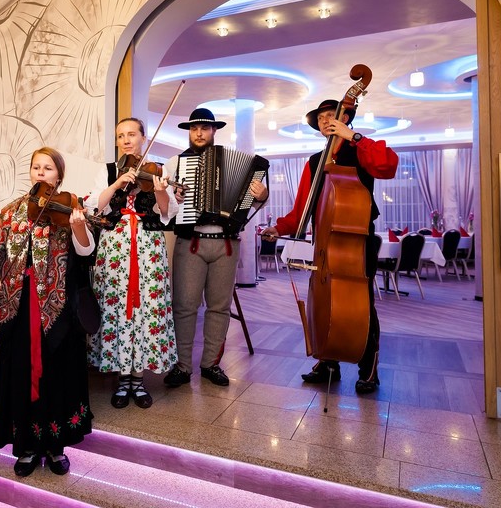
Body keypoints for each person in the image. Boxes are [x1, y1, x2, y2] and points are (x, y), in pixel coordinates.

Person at [262, 99, 398, 394]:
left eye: (330, 115)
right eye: (320, 117)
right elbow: (302, 207)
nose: (325, 120)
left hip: (357, 240)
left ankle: (369, 369)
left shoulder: (360, 149)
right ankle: (328, 362)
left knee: (362, 305)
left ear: (345, 117)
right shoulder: (314, 161)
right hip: (325, 242)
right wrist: (280, 228)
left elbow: (388, 165)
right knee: (324, 301)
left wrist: (354, 137)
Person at [0, 147, 94, 477]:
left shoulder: (70, 208)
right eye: (36, 167)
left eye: (48, 168)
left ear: (59, 175)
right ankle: (26, 445)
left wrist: (79, 227)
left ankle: (56, 446)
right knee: (21, 372)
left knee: (58, 373)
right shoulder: (11, 211)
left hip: (59, 307)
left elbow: (86, 252)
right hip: (19, 305)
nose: (41, 172)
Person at [163, 108, 268, 388]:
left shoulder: (239, 163)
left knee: (219, 307)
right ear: (189, 131)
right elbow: (165, 207)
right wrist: (173, 195)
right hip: (191, 242)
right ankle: (182, 366)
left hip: (226, 244)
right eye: (194, 128)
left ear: (214, 131)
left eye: (204, 128)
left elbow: (252, 201)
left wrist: (263, 195)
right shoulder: (175, 163)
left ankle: (210, 364)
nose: (198, 133)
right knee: (184, 306)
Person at [84, 117, 178, 409]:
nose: (126, 140)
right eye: (120, 135)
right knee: (116, 308)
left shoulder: (158, 170)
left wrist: (159, 190)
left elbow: (166, 211)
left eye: (132, 134)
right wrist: (116, 184)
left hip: (148, 248)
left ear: (143, 137)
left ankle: (138, 380)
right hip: (114, 249)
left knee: (145, 309)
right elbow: (95, 207)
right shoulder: (108, 170)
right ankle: (122, 379)